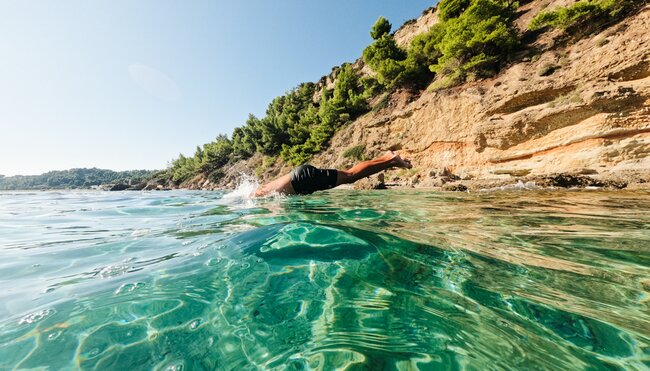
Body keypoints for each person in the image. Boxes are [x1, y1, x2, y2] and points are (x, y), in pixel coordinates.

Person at [253, 150, 412, 197]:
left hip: (304, 180)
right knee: (349, 175)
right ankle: (387, 157)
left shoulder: (255, 196)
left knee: (350, 176)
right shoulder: (257, 190)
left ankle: (392, 161)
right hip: (301, 177)